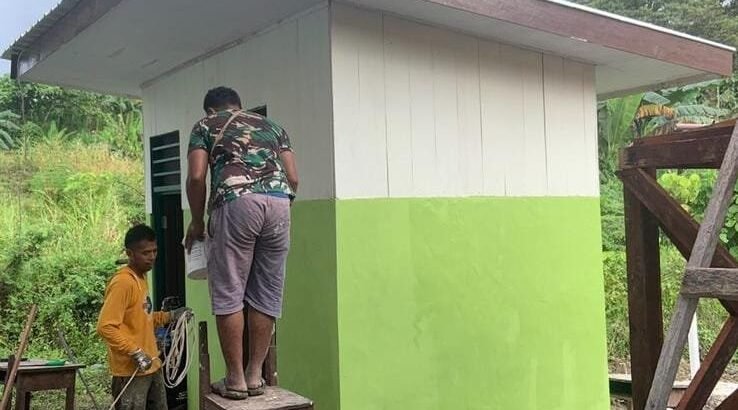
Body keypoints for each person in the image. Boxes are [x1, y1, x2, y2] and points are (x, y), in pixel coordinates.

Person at [184, 86, 298, 400]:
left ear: (211, 110)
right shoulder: (273, 127)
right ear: (239, 105)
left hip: (235, 203)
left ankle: (235, 378)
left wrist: (197, 220)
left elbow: (196, 177)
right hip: (279, 204)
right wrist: (276, 205)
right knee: (266, 291)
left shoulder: (206, 125)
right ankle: (255, 374)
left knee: (230, 289)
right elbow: (293, 177)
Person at [98, 224, 190, 410]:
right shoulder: (123, 282)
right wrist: (135, 352)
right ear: (129, 254)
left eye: (154, 251)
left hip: (152, 366)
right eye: (145, 253)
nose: (152, 257)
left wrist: (171, 316)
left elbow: (142, 317)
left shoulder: (141, 278)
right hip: (131, 371)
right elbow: (105, 326)